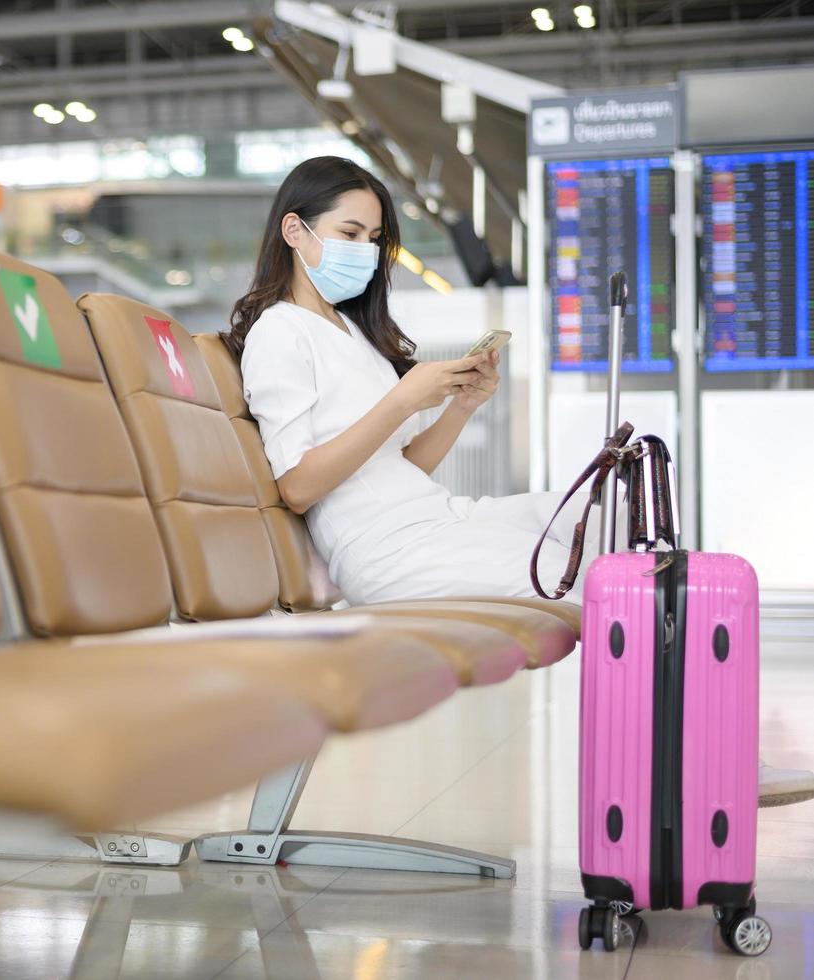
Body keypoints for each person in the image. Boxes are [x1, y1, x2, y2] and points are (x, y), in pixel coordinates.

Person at [227, 155, 812, 808]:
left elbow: (400, 468)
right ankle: (711, 762)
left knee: (618, 524)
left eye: (373, 239)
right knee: (602, 579)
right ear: (293, 231)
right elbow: (299, 487)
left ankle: (694, 747)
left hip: (436, 518)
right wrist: (399, 401)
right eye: (349, 233)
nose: (365, 251)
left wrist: (458, 406)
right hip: (389, 552)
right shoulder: (279, 333)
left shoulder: (349, 334)